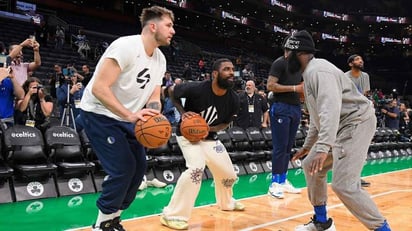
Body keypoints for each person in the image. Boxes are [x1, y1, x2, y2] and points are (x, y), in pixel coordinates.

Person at [78, 6, 175, 231]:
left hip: (127, 118)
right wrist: (129, 115)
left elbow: (154, 96)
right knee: (122, 168)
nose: (173, 31)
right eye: (169, 25)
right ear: (153, 26)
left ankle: (113, 219)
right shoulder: (125, 46)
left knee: (138, 168)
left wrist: (154, 116)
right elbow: (99, 89)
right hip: (98, 113)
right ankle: (101, 225)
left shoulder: (160, 59)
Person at [288, 30, 391, 231]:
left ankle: (383, 229)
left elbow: (330, 110)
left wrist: (323, 146)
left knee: (344, 185)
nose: (284, 58)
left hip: (355, 122)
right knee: (311, 165)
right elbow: (318, 119)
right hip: (341, 126)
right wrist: (309, 147)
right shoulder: (309, 75)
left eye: (286, 52)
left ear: (297, 52)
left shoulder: (319, 71)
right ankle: (322, 222)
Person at [161, 58, 244, 230]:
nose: (231, 73)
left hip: (209, 137)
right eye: (226, 69)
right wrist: (183, 114)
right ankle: (172, 215)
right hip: (187, 136)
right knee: (196, 170)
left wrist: (208, 129)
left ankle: (226, 202)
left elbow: (225, 123)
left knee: (228, 174)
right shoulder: (197, 88)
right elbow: (171, 91)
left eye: (232, 69)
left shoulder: (234, 99)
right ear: (215, 74)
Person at [266, 36, 304, 199]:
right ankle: (274, 183)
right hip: (281, 107)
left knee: (288, 147)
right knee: (280, 147)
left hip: (295, 107)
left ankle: (283, 179)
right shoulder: (279, 62)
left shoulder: (298, 66)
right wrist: (295, 88)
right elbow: (270, 86)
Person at [345, 54, 372, 187]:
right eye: (357, 59)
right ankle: (347, 177)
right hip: (348, 114)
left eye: (361, 59)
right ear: (350, 63)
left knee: (360, 148)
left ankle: (356, 177)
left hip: (361, 114)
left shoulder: (365, 76)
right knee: (349, 147)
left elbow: (365, 95)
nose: (360, 61)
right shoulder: (345, 77)